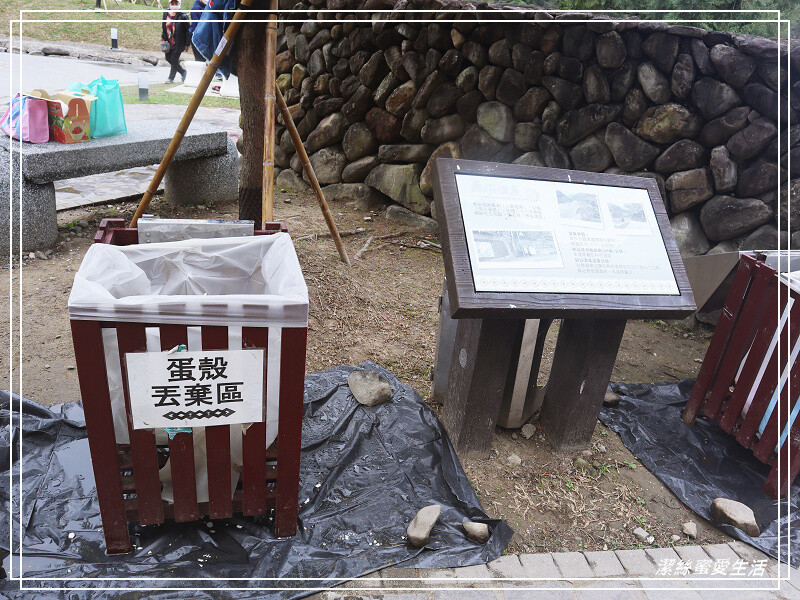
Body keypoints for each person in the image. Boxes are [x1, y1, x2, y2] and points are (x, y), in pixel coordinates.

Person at [161, 0, 190, 84]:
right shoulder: (166, 13)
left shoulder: (183, 16)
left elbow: (187, 31)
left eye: (176, 3)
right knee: (168, 58)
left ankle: (171, 78)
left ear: (179, 4)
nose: (174, 5)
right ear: (169, 4)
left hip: (179, 42)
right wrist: (163, 37)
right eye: (172, 3)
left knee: (174, 59)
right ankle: (183, 72)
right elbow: (164, 26)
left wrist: (187, 44)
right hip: (168, 41)